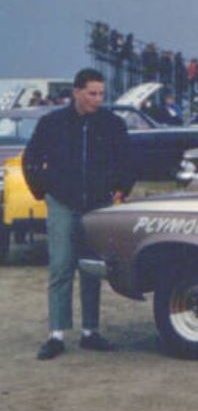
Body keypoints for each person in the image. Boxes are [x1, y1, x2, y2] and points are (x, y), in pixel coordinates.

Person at [23, 69, 135, 360]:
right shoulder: (52, 123)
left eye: (101, 93)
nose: (98, 99)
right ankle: (56, 334)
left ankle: (90, 331)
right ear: (76, 92)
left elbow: (127, 160)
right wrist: (43, 191)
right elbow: (31, 159)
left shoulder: (113, 125)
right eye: (92, 93)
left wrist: (122, 189)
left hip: (97, 205)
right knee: (61, 266)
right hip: (62, 203)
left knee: (91, 267)